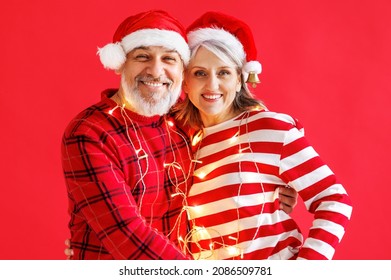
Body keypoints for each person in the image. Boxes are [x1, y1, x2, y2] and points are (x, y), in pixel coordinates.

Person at [62, 9, 298, 260]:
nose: (155, 70)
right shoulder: (90, 132)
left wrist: (278, 179)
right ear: (121, 63)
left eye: (169, 59)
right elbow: (127, 235)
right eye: (142, 56)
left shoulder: (184, 121)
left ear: (182, 71)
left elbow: (247, 128)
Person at [173, 11, 353, 260]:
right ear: (185, 82)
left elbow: (334, 199)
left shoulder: (270, 128)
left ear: (240, 80)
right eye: (200, 73)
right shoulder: (180, 139)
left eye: (223, 72)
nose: (212, 85)